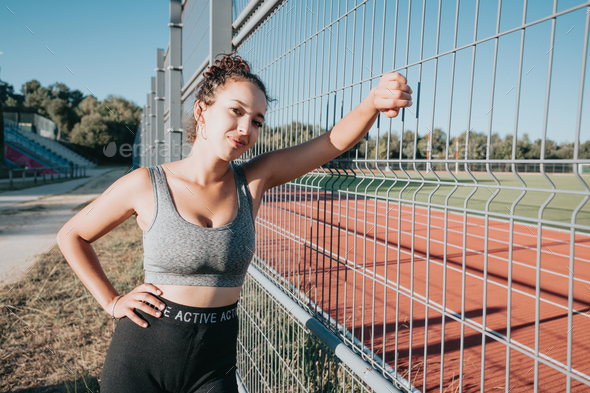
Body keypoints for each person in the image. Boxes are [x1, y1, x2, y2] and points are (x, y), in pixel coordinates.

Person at [56, 51, 412, 393]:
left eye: (257, 121)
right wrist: (112, 301)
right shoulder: (146, 184)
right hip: (142, 358)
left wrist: (371, 105)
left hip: (214, 366)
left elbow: (329, 145)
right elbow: (72, 236)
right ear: (202, 111)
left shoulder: (253, 180)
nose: (246, 128)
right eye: (236, 111)